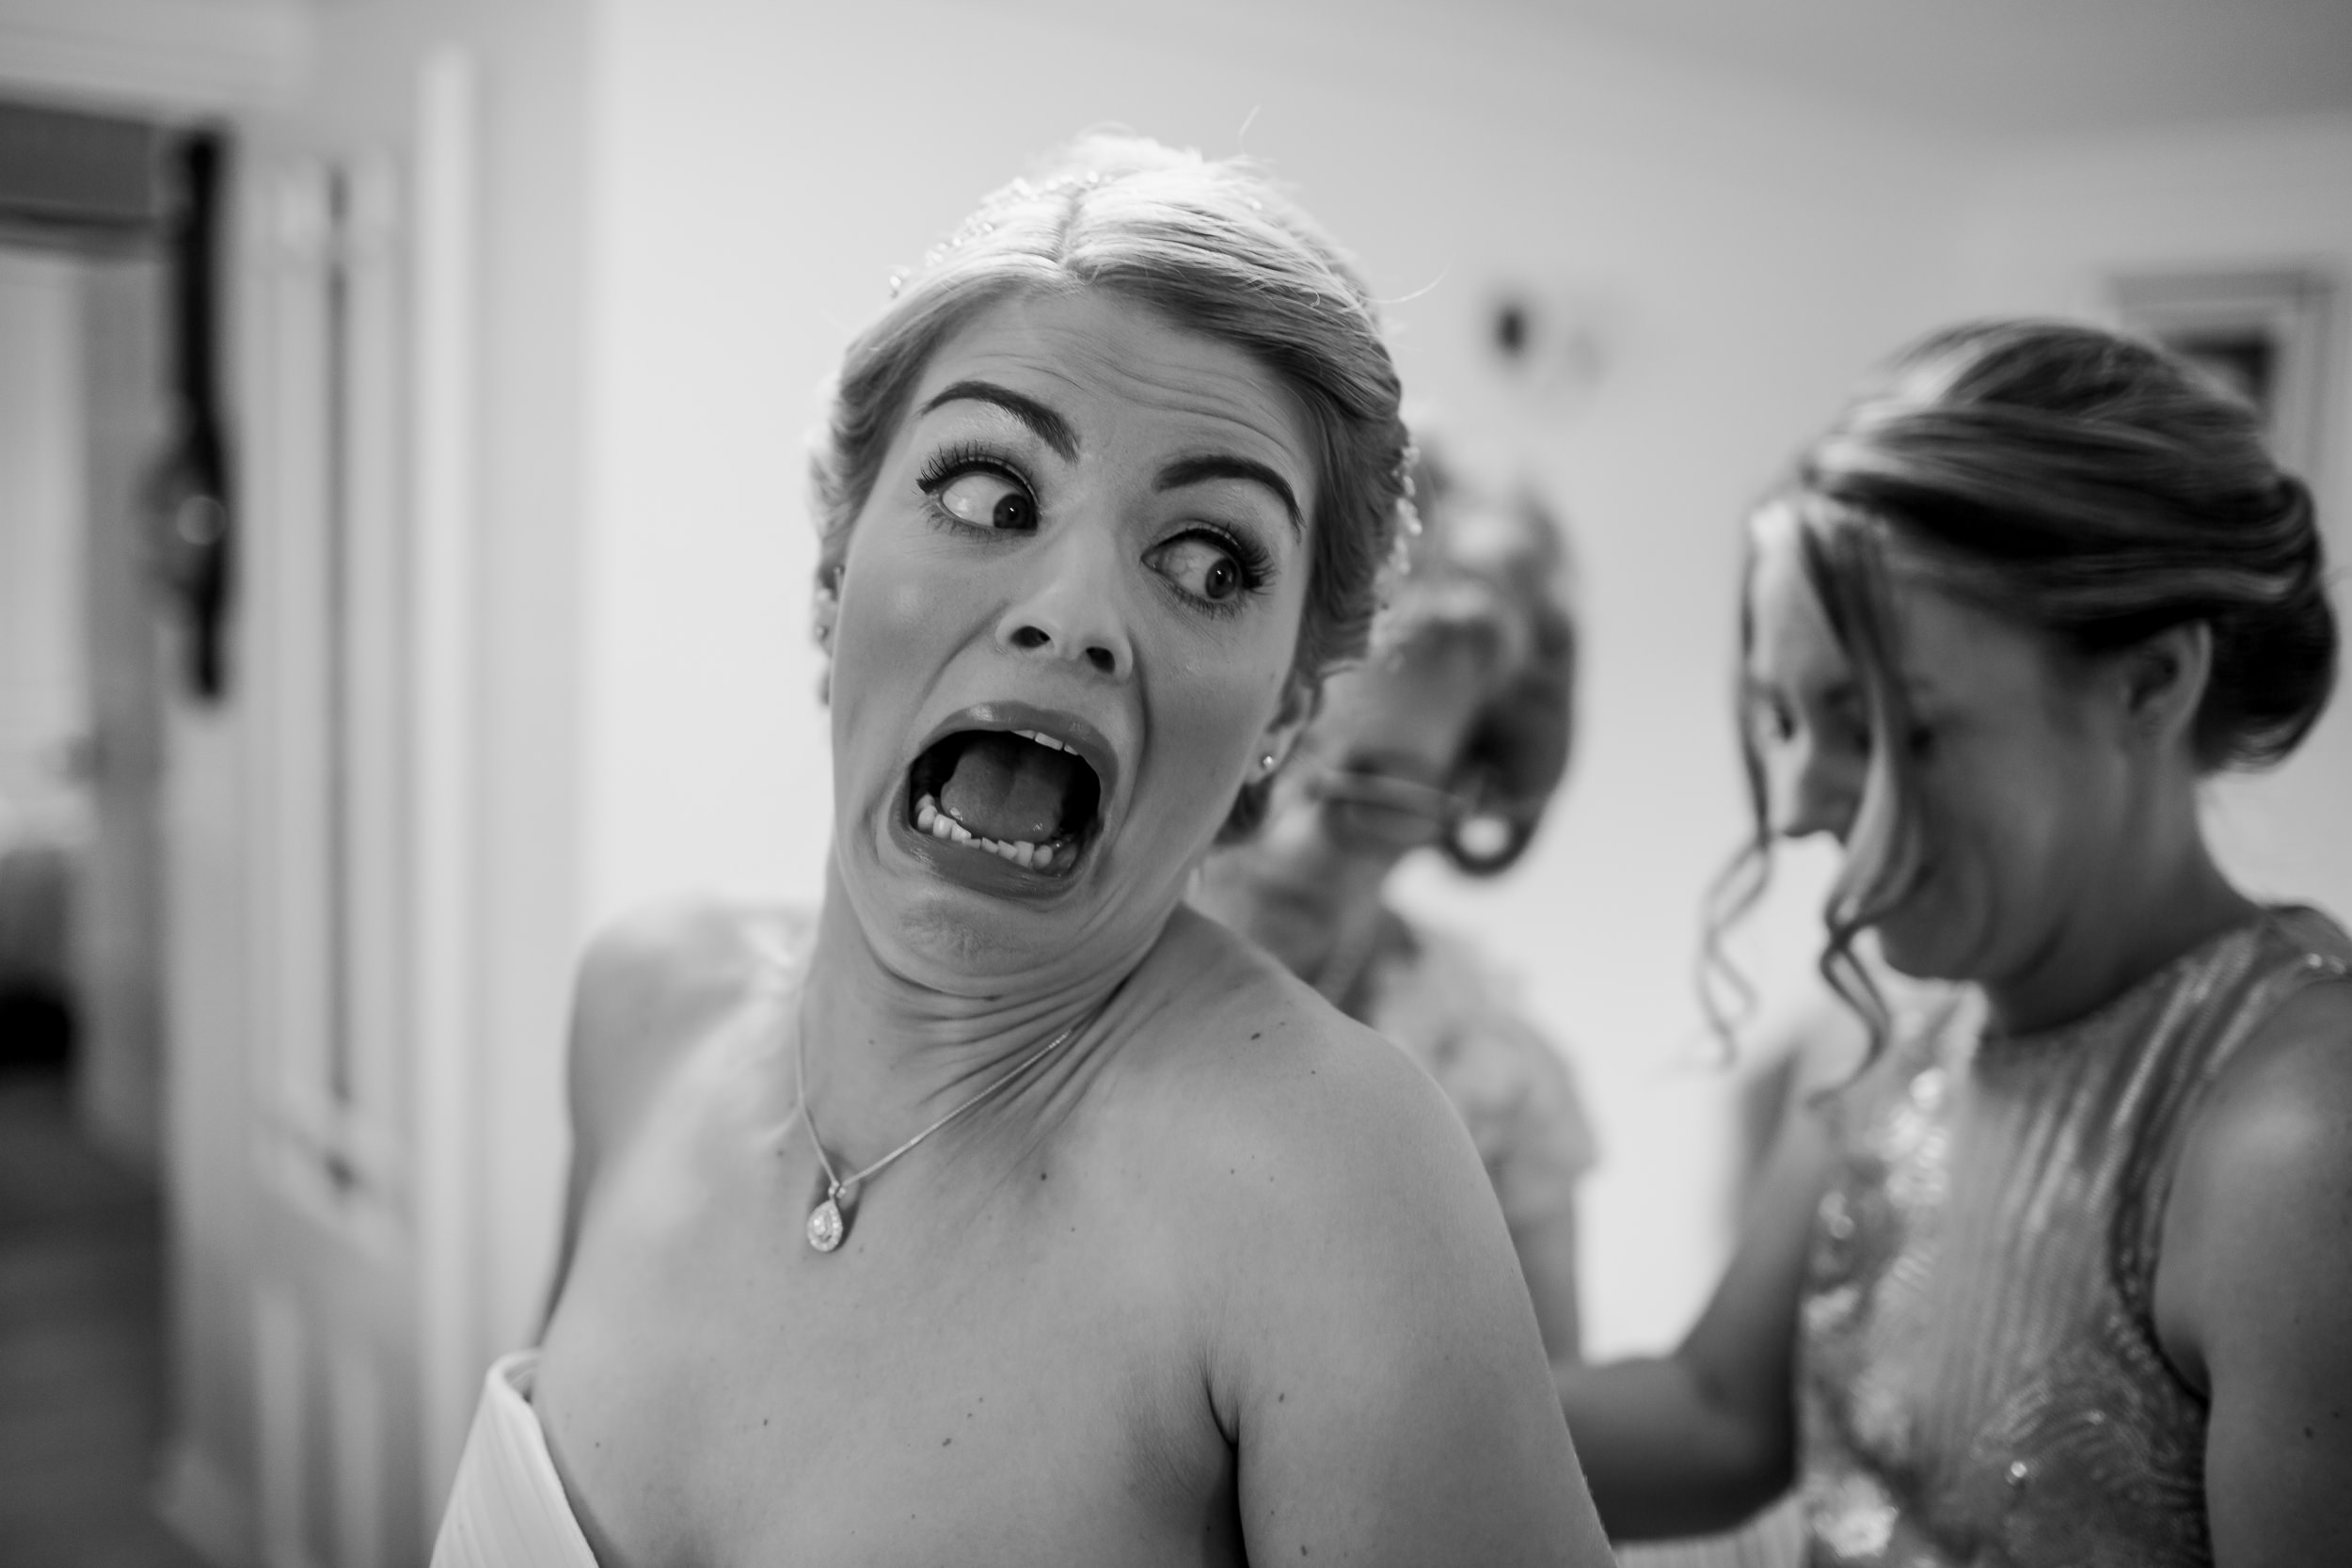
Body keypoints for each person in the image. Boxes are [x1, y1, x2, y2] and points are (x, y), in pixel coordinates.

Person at [432, 135, 1613, 1567]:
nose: (1076, 610)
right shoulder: (640, 1007)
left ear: (1284, 714)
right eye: (993, 493)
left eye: (1209, 560)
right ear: (835, 566)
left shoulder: (1335, 1187)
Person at [1561, 319, 2352, 1566]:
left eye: (1890, 730)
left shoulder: (2299, 1142)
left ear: (2149, 684)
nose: (1807, 802)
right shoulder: (1884, 1016)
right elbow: (1717, 1417)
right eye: (1785, 716)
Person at [1192, 446, 1596, 1361]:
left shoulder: (1495, 1090)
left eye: (1383, 793)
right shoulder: (1046, 983)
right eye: (1276, 753)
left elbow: (1550, 1439)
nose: (1294, 840)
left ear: (1467, 792)